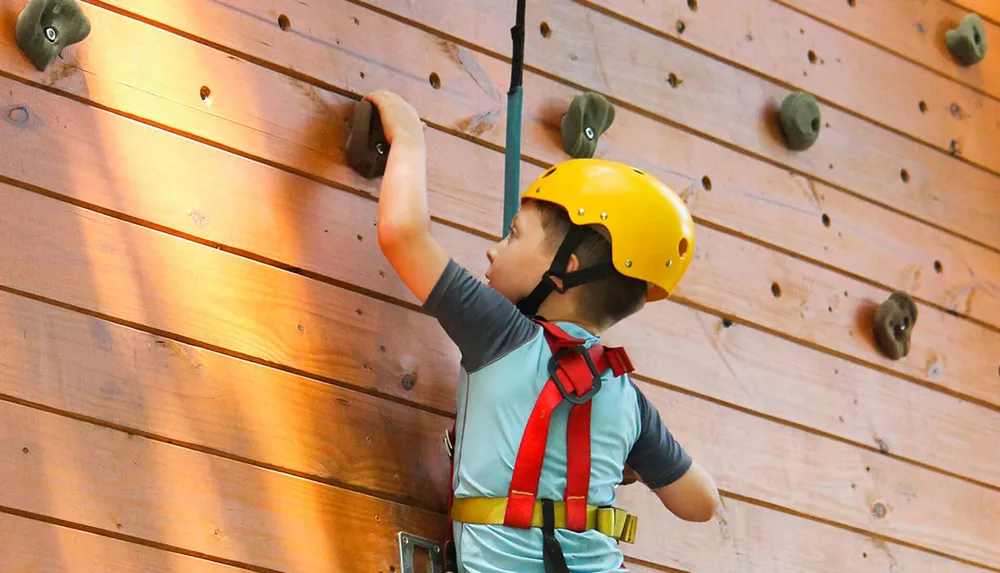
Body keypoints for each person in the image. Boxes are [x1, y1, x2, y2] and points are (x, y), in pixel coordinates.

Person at [367, 90, 721, 573]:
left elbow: (402, 234)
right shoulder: (628, 400)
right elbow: (701, 503)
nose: (495, 250)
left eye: (513, 234)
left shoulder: (498, 332)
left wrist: (408, 134)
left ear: (564, 269)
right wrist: (634, 461)